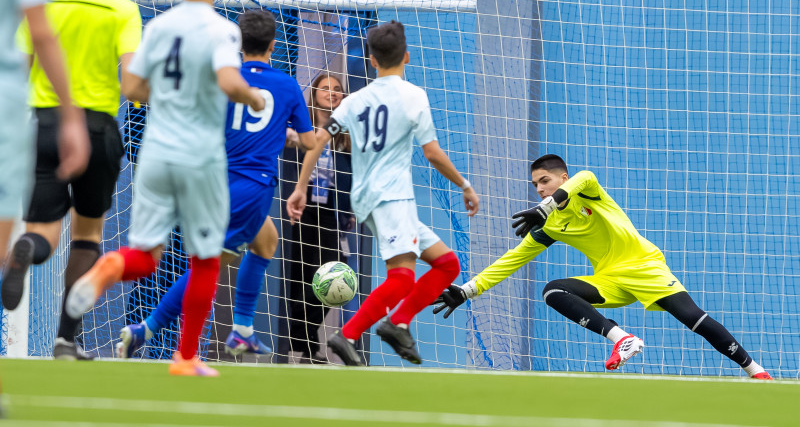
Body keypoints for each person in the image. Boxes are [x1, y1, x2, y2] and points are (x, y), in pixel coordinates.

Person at [64, 0, 265, 377]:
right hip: (200, 156)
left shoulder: (158, 27)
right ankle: (185, 357)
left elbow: (132, 88)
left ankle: (108, 265)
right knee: (206, 258)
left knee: (145, 254)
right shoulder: (221, 29)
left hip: (155, 152)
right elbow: (230, 82)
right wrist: (252, 97)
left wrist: (172, 98)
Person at [433, 154, 772, 379]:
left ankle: (755, 370)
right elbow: (510, 261)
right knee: (553, 290)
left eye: (545, 180)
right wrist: (466, 291)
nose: (539, 188)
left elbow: (584, 176)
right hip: (610, 280)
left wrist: (548, 205)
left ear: (561, 178)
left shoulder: (586, 191)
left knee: (692, 318)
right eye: (535, 184)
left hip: (644, 267)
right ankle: (621, 338)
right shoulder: (549, 227)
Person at [114, 9, 316, 359]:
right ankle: (145, 330)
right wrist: (285, 135)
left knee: (266, 242)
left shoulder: (222, 80)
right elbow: (310, 141)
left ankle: (242, 330)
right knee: (207, 266)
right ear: (273, 45)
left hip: (212, 179)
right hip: (249, 187)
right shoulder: (285, 85)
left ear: (239, 44)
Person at [287, 20, 479, 366]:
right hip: (392, 196)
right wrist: (464, 185)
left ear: (372, 61)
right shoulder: (413, 96)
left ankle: (398, 321)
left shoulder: (355, 101)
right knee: (402, 277)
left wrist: (300, 187)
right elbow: (432, 153)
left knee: (447, 264)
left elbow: (318, 141)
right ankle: (348, 334)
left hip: (367, 198)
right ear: (406, 56)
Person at [2, 0, 139, 361]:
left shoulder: (46, 3)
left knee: (44, 231)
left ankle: (28, 248)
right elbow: (132, 80)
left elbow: (20, 63)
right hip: (97, 129)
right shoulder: (122, 9)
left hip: (42, 125)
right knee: (88, 233)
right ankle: (66, 339)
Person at [0, 0, 89, 264]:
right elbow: (41, 36)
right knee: (87, 231)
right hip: (24, 108)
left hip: (31, 113)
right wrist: (71, 118)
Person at [281, 73, 353, 363]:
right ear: (314, 94)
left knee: (336, 270)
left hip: (330, 212)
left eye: (338, 89)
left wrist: (348, 209)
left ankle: (306, 338)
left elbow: (348, 177)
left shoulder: (346, 134)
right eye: (326, 89)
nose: (333, 93)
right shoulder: (303, 128)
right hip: (301, 208)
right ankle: (305, 346)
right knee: (299, 275)